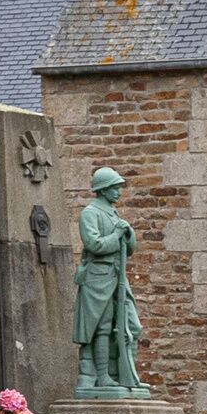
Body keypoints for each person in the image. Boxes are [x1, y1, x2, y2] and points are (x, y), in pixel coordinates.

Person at [73, 165, 147, 398]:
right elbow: (94, 245)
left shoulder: (114, 214)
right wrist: (116, 235)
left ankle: (128, 376)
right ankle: (103, 376)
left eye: (119, 187)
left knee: (132, 326)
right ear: (103, 190)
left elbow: (130, 248)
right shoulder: (90, 213)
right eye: (114, 187)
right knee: (102, 328)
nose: (119, 192)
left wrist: (128, 233)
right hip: (98, 278)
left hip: (118, 276)